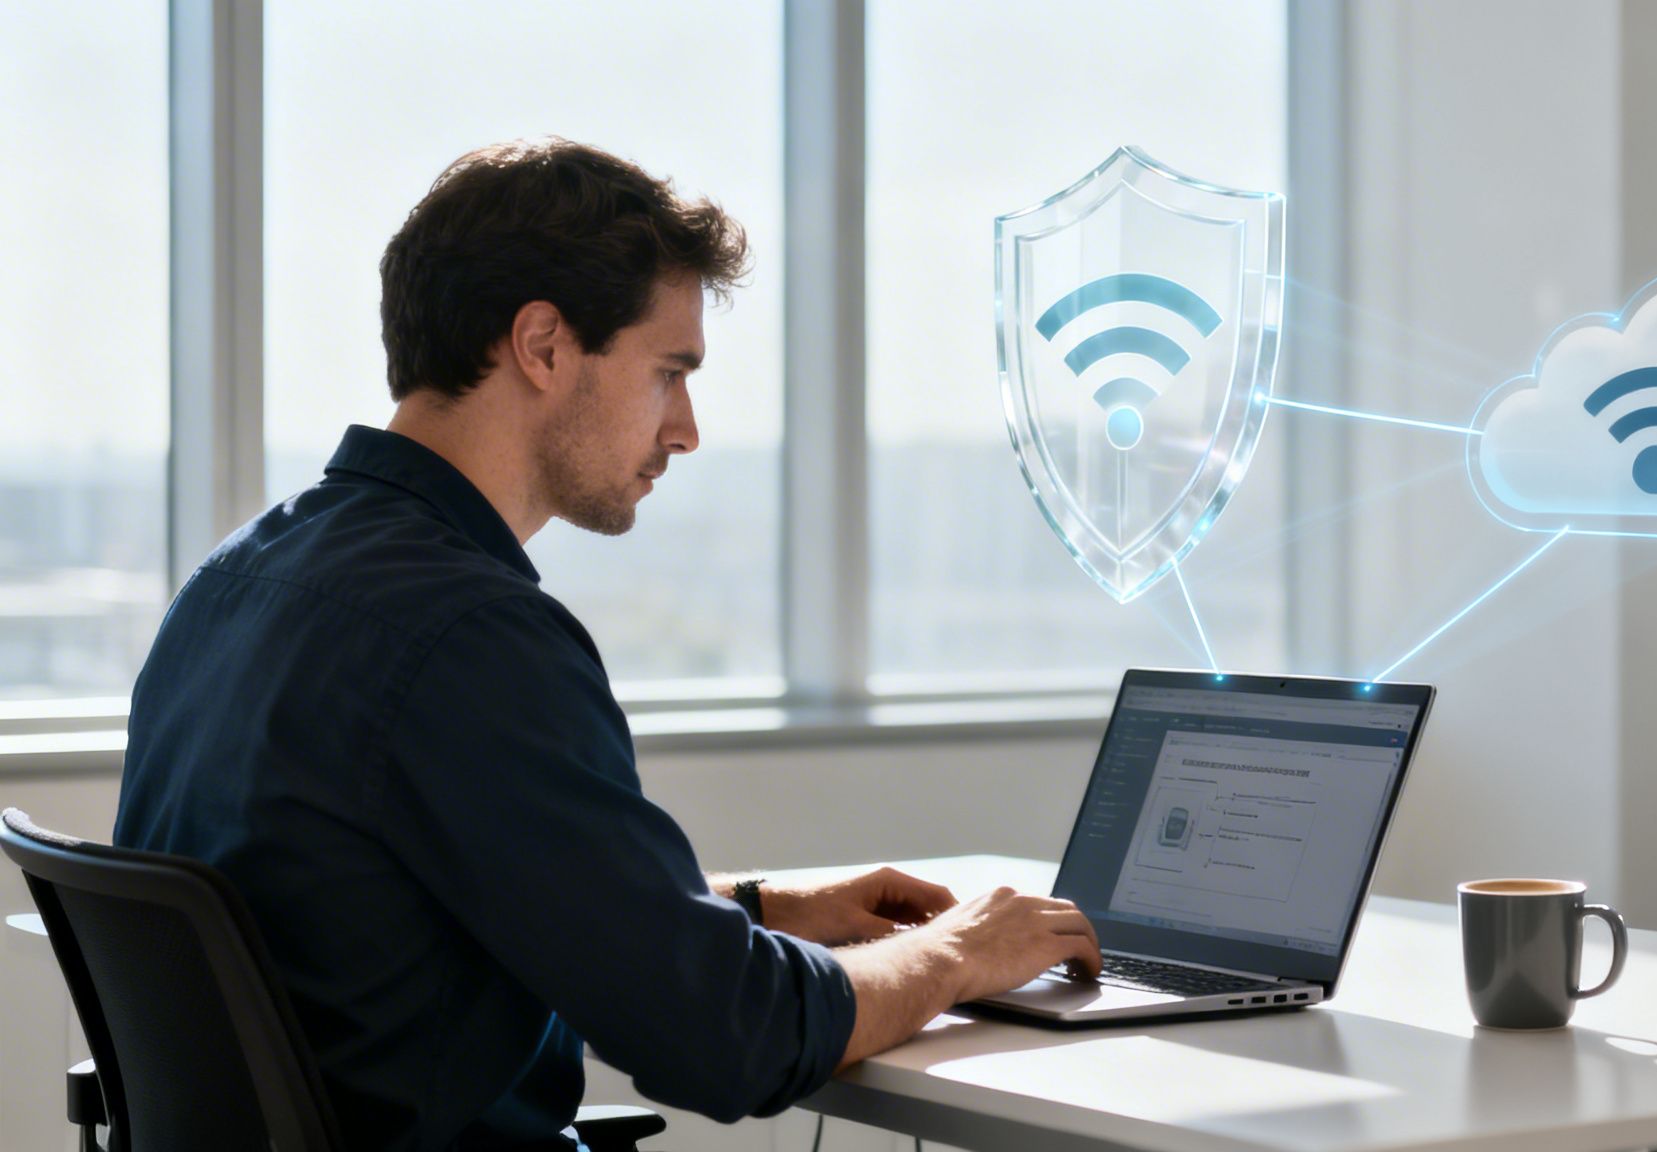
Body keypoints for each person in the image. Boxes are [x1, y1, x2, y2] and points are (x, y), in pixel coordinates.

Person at [113, 138, 1101, 1151]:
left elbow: (434, 898)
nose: (686, 430)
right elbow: (729, 1037)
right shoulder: (469, 637)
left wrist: (761, 906)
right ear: (541, 345)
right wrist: (958, 953)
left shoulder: (236, 581)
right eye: (668, 372)